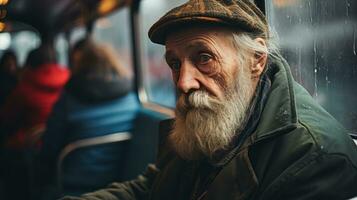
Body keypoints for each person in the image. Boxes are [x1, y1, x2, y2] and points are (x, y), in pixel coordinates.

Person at [61, 1, 357, 200]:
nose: (182, 82)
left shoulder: (312, 157)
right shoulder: (206, 119)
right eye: (175, 63)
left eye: (204, 57)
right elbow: (155, 187)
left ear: (256, 60)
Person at [37, 38, 139, 198]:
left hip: (72, 184)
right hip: (120, 181)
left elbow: (50, 147)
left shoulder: (69, 98)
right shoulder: (131, 97)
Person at [0, 43, 70, 149]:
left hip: (33, 145)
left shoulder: (24, 88)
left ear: (29, 65)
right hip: (64, 141)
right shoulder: (71, 82)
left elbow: (7, 117)